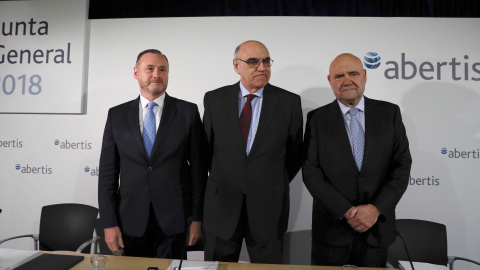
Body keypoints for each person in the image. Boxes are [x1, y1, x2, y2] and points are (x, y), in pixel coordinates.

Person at [302, 53, 412, 267]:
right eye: (339, 75)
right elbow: (311, 171)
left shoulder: (389, 113)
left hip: (376, 229)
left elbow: (401, 166)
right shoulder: (317, 119)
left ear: (364, 75)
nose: (347, 80)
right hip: (332, 232)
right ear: (330, 80)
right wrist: (347, 210)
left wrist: (376, 209)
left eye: (353, 73)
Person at [98, 49, 207, 258]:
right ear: (136, 73)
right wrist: (109, 223)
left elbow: (199, 173)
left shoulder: (187, 112)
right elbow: (107, 175)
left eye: (162, 69)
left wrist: (197, 218)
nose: (157, 74)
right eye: (150, 69)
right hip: (130, 220)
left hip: (175, 220)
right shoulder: (117, 115)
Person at [202, 40, 303, 264]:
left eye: (266, 61)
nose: (262, 67)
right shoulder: (214, 100)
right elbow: (206, 154)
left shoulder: (289, 103)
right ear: (236, 66)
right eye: (253, 61)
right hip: (222, 208)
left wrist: (266, 179)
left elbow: (294, 156)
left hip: (269, 209)